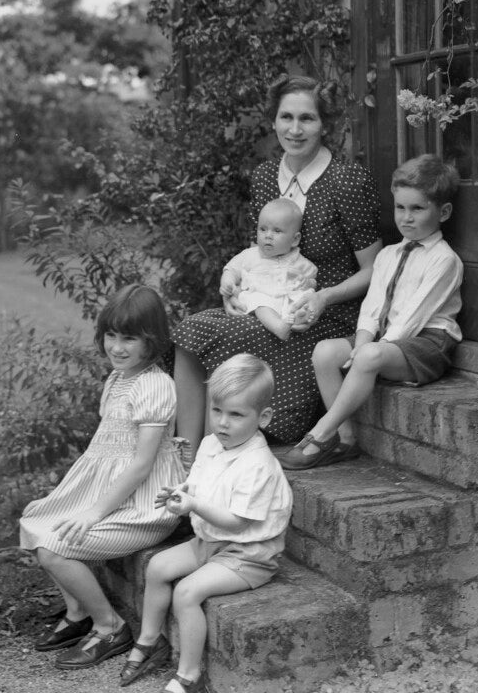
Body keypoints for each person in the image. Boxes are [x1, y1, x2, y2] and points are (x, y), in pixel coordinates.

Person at [173, 74, 382, 455]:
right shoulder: (265, 178)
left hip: (323, 316)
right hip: (265, 302)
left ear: (325, 124)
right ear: (273, 121)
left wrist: (324, 298)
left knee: (230, 337)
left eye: (307, 119)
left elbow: (375, 269)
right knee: (191, 331)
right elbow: (258, 254)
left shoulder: (346, 180)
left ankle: (214, 456)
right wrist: (233, 294)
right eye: (286, 117)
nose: (295, 129)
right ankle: (188, 453)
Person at [19, 285, 186, 670]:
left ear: (153, 340)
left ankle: (110, 626)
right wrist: (69, 498)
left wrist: (93, 513)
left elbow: (141, 464)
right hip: (117, 490)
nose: (117, 347)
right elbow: (105, 452)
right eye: (111, 335)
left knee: (53, 548)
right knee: (35, 519)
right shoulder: (117, 379)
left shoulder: (155, 385)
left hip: (146, 504)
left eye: (130, 338)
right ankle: (78, 612)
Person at [119, 354, 293, 693]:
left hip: (248, 554)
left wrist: (193, 505)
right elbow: (198, 483)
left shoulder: (258, 463)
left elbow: (237, 523)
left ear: (264, 416)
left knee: (186, 592)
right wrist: (181, 492)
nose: (223, 423)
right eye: (217, 411)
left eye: (236, 414)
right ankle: (150, 639)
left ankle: (189, 674)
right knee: (157, 566)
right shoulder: (213, 444)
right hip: (211, 541)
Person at [280, 154, 463, 470]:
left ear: (443, 212)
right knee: (325, 352)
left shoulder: (444, 260)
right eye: (400, 208)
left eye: (417, 208)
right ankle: (345, 437)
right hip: (387, 338)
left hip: (428, 343)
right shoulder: (389, 255)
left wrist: (373, 349)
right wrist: (363, 341)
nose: (406, 217)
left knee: (367, 357)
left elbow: (413, 318)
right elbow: (373, 307)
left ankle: (321, 432)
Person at [220, 198, 317, 341]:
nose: (268, 235)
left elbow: (312, 280)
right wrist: (227, 283)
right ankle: (279, 328)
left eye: (277, 231)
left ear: (295, 239)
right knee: (261, 304)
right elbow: (231, 270)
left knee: (302, 299)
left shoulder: (300, 261)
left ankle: (298, 317)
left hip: (287, 300)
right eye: (263, 229)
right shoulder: (250, 255)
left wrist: (308, 284)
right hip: (261, 299)